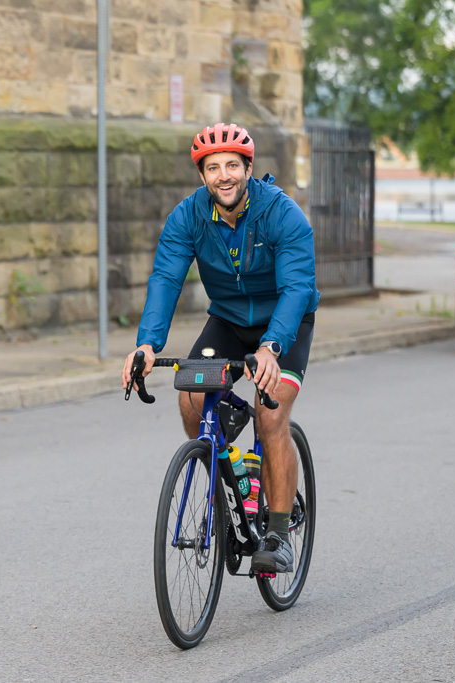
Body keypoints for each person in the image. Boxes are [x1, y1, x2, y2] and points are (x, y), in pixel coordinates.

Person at [121, 122, 320, 574]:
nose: (223, 175)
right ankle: (236, 471)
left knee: (271, 416)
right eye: (213, 168)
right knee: (191, 400)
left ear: (248, 168)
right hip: (228, 320)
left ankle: (277, 533)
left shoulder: (282, 214)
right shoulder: (188, 216)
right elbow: (166, 279)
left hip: (284, 323)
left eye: (232, 165)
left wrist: (271, 347)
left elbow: (296, 288)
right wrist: (146, 345)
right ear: (202, 175)